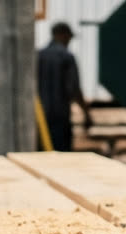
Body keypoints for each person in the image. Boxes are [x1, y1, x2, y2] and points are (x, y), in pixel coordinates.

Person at [36, 21, 92, 152]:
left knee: (40, 157)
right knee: (61, 157)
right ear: (62, 35)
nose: (69, 41)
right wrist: (87, 113)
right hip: (60, 117)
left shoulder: (38, 56)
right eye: (69, 37)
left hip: (40, 118)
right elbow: (74, 89)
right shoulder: (66, 57)